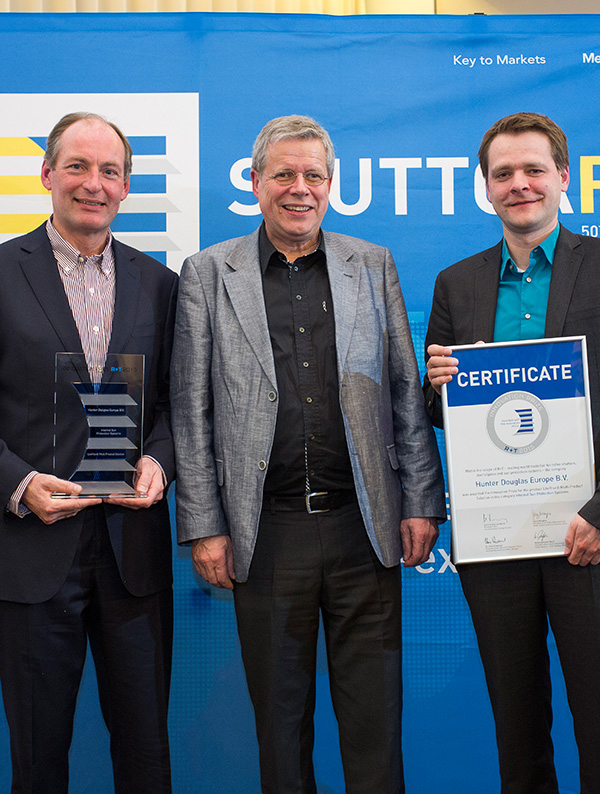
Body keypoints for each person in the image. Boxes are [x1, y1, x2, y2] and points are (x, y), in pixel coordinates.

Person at [172, 114, 446, 794]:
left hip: (364, 529)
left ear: (331, 184)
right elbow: (191, 410)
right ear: (255, 182)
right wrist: (204, 524)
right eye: (284, 175)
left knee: (376, 728)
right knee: (281, 729)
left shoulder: (372, 264)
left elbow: (404, 390)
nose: (300, 188)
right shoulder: (207, 273)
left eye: (314, 176)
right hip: (266, 533)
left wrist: (421, 501)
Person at [0, 112, 178, 793]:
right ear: (47, 174)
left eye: (109, 171)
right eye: (77, 166)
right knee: (38, 760)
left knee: (146, 755)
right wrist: (18, 484)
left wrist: (159, 458)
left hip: (133, 553)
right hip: (31, 552)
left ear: (127, 186)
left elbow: (176, 404)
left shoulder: (159, 283)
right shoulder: (2, 273)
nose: (93, 184)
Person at [424, 112, 600, 794]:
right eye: (503, 174)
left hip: (590, 535)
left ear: (563, 177)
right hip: (496, 539)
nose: (519, 184)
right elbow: (439, 413)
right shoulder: (456, 283)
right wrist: (438, 384)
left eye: (533, 170)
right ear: (487, 187)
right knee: (517, 727)